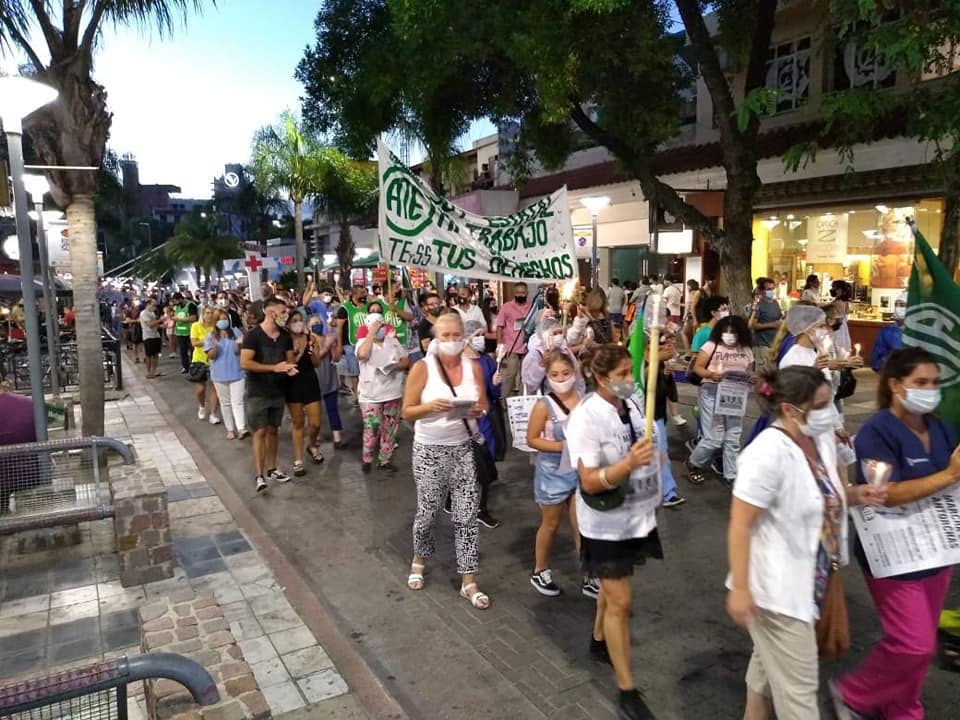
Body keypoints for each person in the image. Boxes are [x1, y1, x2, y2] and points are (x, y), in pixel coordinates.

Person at [727, 366, 886, 720]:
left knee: (768, 658)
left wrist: (855, 495)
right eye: (821, 405)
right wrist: (740, 588)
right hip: (774, 590)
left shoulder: (817, 441)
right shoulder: (766, 453)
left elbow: (820, 496)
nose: (830, 412)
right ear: (790, 410)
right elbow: (740, 524)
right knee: (800, 693)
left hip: (811, 575)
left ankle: (754, 713)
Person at [831, 347, 960, 720]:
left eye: (935, 382)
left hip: (936, 549)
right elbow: (884, 495)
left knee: (919, 639)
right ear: (895, 385)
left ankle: (903, 708)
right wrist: (949, 475)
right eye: (920, 382)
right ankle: (855, 694)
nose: (930, 389)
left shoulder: (940, 427)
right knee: (914, 644)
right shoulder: (876, 431)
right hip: (893, 553)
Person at [566, 344, 660, 720]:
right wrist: (628, 464)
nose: (630, 379)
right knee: (620, 600)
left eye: (630, 371)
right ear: (601, 378)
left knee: (611, 585)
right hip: (603, 522)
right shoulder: (586, 418)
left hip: (634, 512)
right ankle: (626, 689)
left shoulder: (634, 405)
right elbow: (589, 482)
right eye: (621, 374)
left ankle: (598, 639)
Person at [401, 311, 491, 609]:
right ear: (435, 339)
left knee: (467, 515)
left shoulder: (472, 367)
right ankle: (418, 559)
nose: (451, 341)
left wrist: (478, 410)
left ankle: (469, 579)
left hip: (463, 448)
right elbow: (407, 411)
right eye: (445, 336)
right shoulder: (423, 368)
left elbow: (483, 403)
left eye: (456, 335)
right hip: (429, 449)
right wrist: (429, 406)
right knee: (428, 512)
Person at [526, 350, 597, 597]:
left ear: (573, 372)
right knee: (551, 524)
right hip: (551, 475)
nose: (561, 378)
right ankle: (540, 570)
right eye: (555, 374)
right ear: (547, 376)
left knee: (582, 525)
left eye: (565, 373)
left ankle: (589, 574)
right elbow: (532, 439)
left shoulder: (584, 399)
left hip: (579, 472)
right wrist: (562, 446)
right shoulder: (542, 405)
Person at [686, 316, 755, 486]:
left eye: (734, 332)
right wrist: (710, 374)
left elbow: (750, 371)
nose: (729, 335)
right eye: (726, 331)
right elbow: (698, 367)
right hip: (711, 392)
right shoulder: (711, 346)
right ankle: (693, 463)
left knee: (733, 435)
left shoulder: (746, 350)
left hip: (735, 395)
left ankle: (731, 473)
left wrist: (750, 379)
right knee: (714, 436)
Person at [241, 297, 296, 493]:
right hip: (258, 391)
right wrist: (274, 368)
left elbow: (289, 360)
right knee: (260, 431)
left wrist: (289, 368)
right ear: (270, 313)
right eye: (283, 312)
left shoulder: (285, 336)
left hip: (278, 391)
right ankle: (259, 475)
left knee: (273, 430)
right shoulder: (253, 336)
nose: (286, 316)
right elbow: (246, 363)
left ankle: (272, 468)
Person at [356, 301, 409, 474]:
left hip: (392, 392)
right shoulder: (362, 343)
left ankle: (385, 459)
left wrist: (395, 366)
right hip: (371, 395)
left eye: (380, 325)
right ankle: (367, 457)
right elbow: (363, 355)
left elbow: (406, 360)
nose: (379, 328)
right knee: (373, 427)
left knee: (390, 427)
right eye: (375, 325)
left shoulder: (392, 342)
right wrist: (371, 333)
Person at [462, 319, 501, 529]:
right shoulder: (457, 362)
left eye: (482, 334)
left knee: (486, 464)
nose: (481, 338)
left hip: (485, 419)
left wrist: (496, 383)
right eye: (477, 334)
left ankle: (481, 508)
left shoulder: (487, 361)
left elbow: (493, 394)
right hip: (465, 421)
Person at [285, 310, 327, 477]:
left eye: (300, 320)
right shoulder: (286, 341)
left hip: (310, 381)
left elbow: (316, 363)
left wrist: (314, 352)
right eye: (294, 320)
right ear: (288, 324)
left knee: (315, 422)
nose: (298, 323)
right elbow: (290, 365)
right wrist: (297, 352)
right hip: (293, 383)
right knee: (298, 423)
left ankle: (311, 444)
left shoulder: (311, 338)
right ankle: (298, 460)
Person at [204, 309, 247, 439]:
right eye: (220, 319)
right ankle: (230, 429)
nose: (223, 322)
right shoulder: (210, 336)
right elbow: (211, 356)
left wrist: (239, 344)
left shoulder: (235, 332)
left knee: (238, 401)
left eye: (225, 319)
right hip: (219, 374)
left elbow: (239, 352)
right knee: (225, 403)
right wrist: (215, 346)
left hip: (237, 373)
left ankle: (241, 428)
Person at [522, 314, 586, 396]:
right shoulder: (535, 355)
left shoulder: (565, 351)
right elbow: (529, 385)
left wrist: (579, 396)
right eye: (555, 333)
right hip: (544, 400)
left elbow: (578, 378)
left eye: (560, 332)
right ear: (544, 335)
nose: (558, 336)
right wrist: (542, 365)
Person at [495, 282, 530, 398]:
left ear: (527, 293)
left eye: (523, 292)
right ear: (514, 293)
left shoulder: (532, 307)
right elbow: (499, 326)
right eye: (518, 292)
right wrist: (499, 345)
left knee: (525, 377)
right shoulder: (506, 307)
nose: (520, 295)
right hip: (510, 348)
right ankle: (503, 401)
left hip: (526, 348)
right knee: (509, 376)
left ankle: (522, 402)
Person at [334, 285, 368, 400]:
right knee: (354, 372)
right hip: (350, 344)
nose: (364, 295)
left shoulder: (368, 306)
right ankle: (358, 397)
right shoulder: (345, 308)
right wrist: (339, 346)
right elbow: (339, 328)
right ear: (355, 294)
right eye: (362, 293)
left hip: (366, 343)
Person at [189, 306, 220, 424]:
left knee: (214, 387)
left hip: (214, 360)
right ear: (203, 314)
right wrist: (208, 341)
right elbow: (194, 342)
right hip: (199, 359)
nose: (210, 315)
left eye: (212, 313)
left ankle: (213, 413)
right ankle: (202, 406)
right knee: (200, 389)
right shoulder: (196, 326)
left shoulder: (215, 328)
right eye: (207, 313)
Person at [748, 278, 782, 375]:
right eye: (769, 289)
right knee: (762, 375)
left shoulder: (775, 303)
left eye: (773, 288)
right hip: (762, 346)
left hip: (774, 345)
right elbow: (751, 324)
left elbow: (778, 319)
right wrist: (772, 325)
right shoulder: (758, 305)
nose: (772, 291)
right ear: (762, 291)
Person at [871, 292, 906, 373]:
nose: (897, 308)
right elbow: (877, 359)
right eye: (896, 304)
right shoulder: (886, 332)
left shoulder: (917, 333)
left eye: (902, 305)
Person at [172, 293, 198, 373]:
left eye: (176, 301)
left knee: (193, 351)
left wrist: (179, 319)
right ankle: (185, 367)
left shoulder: (191, 305)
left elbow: (193, 318)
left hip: (190, 333)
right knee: (183, 352)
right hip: (180, 333)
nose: (175, 303)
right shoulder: (176, 307)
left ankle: (195, 366)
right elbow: (173, 316)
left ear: (180, 299)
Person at [139, 297, 164, 379]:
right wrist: (160, 320)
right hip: (148, 336)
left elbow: (154, 324)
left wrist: (160, 326)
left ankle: (154, 371)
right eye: (153, 305)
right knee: (149, 355)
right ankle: (149, 372)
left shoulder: (152, 313)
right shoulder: (144, 313)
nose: (155, 307)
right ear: (148, 304)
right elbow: (150, 324)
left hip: (155, 335)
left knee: (156, 354)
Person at [829, 280, 854, 355]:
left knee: (836, 347)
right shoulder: (845, 302)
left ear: (839, 290)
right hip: (842, 328)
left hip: (837, 328)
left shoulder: (838, 302)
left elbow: (838, 316)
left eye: (834, 287)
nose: (832, 289)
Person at [683, 279, 701, 348]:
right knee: (694, 334)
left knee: (685, 333)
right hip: (697, 315)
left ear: (690, 286)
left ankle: (690, 353)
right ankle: (693, 351)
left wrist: (685, 315)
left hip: (691, 316)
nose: (687, 287)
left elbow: (688, 305)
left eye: (687, 285)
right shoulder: (697, 292)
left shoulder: (692, 293)